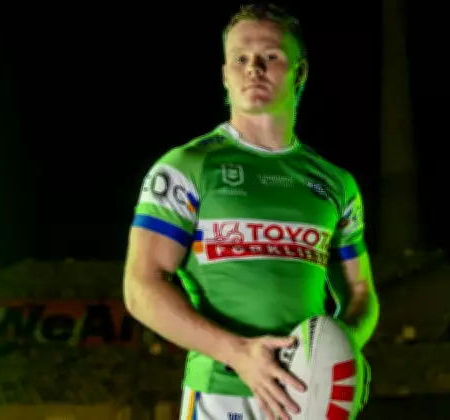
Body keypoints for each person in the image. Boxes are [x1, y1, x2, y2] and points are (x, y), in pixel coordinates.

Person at [123, 4, 379, 419]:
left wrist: (341, 351)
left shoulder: (336, 184)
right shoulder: (185, 167)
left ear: (300, 72)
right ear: (225, 74)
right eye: (240, 58)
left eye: (270, 56)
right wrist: (238, 353)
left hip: (307, 397)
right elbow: (140, 288)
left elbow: (361, 292)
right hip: (222, 395)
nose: (253, 68)